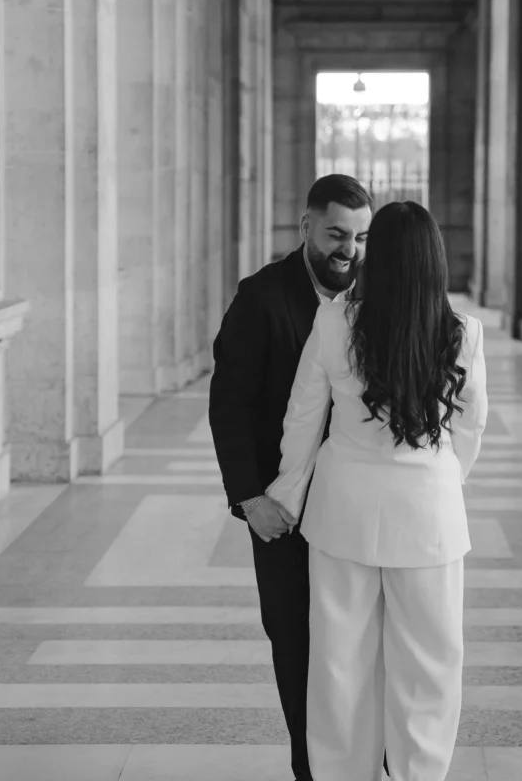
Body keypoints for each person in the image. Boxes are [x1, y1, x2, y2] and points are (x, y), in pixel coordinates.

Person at [266, 200, 488, 781]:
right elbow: (469, 427)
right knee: (430, 666)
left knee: (340, 663)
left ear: (377, 255)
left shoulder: (337, 320)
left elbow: (302, 417)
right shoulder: (463, 333)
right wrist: (438, 483)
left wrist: (288, 494)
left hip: (343, 515)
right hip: (430, 521)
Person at [209, 175, 373, 781]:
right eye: (335, 233)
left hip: (356, 508)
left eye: (359, 237)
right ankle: (312, 771)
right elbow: (229, 405)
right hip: (285, 511)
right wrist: (251, 500)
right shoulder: (260, 297)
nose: (347, 249)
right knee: (297, 644)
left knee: (359, 645)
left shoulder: (375, 296)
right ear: (306, 227)